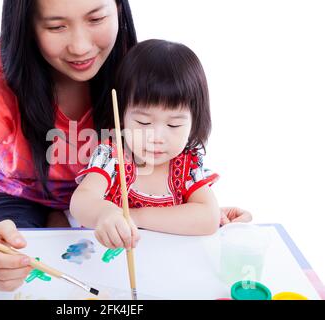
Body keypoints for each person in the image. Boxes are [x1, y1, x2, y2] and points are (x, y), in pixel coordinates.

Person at [0, 0, 250, 292]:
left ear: (119, 10)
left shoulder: (135, 69)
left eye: (96, 18)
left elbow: (162, 172)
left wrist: (185, 207)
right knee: (26, 274)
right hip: (14, 200)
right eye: (56, 26)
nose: (81, 47)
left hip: (103, 205)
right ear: (25, 24)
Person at [70, 40, 252, 250]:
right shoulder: (113, 155)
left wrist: (133, 217)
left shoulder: (187, 164)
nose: (156, 137)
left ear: (194, 122)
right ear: (121, 115)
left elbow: (208, 218)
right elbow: (81, 201)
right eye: (143, 122)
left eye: (174, 124)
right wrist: (105, 214)